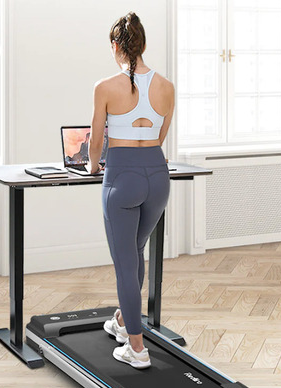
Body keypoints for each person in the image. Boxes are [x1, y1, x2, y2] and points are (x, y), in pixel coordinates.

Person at [86, 12, 175, 369]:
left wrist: (93, 168)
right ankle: (124, 320)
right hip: (158, 175)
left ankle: (136, 348)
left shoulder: (105, 87)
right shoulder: (166, 86)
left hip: (122, 178)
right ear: (143, 45)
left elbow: (96, 142)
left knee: (125, 262)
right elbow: (160, 136)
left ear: (116, 46)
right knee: (136, 250)